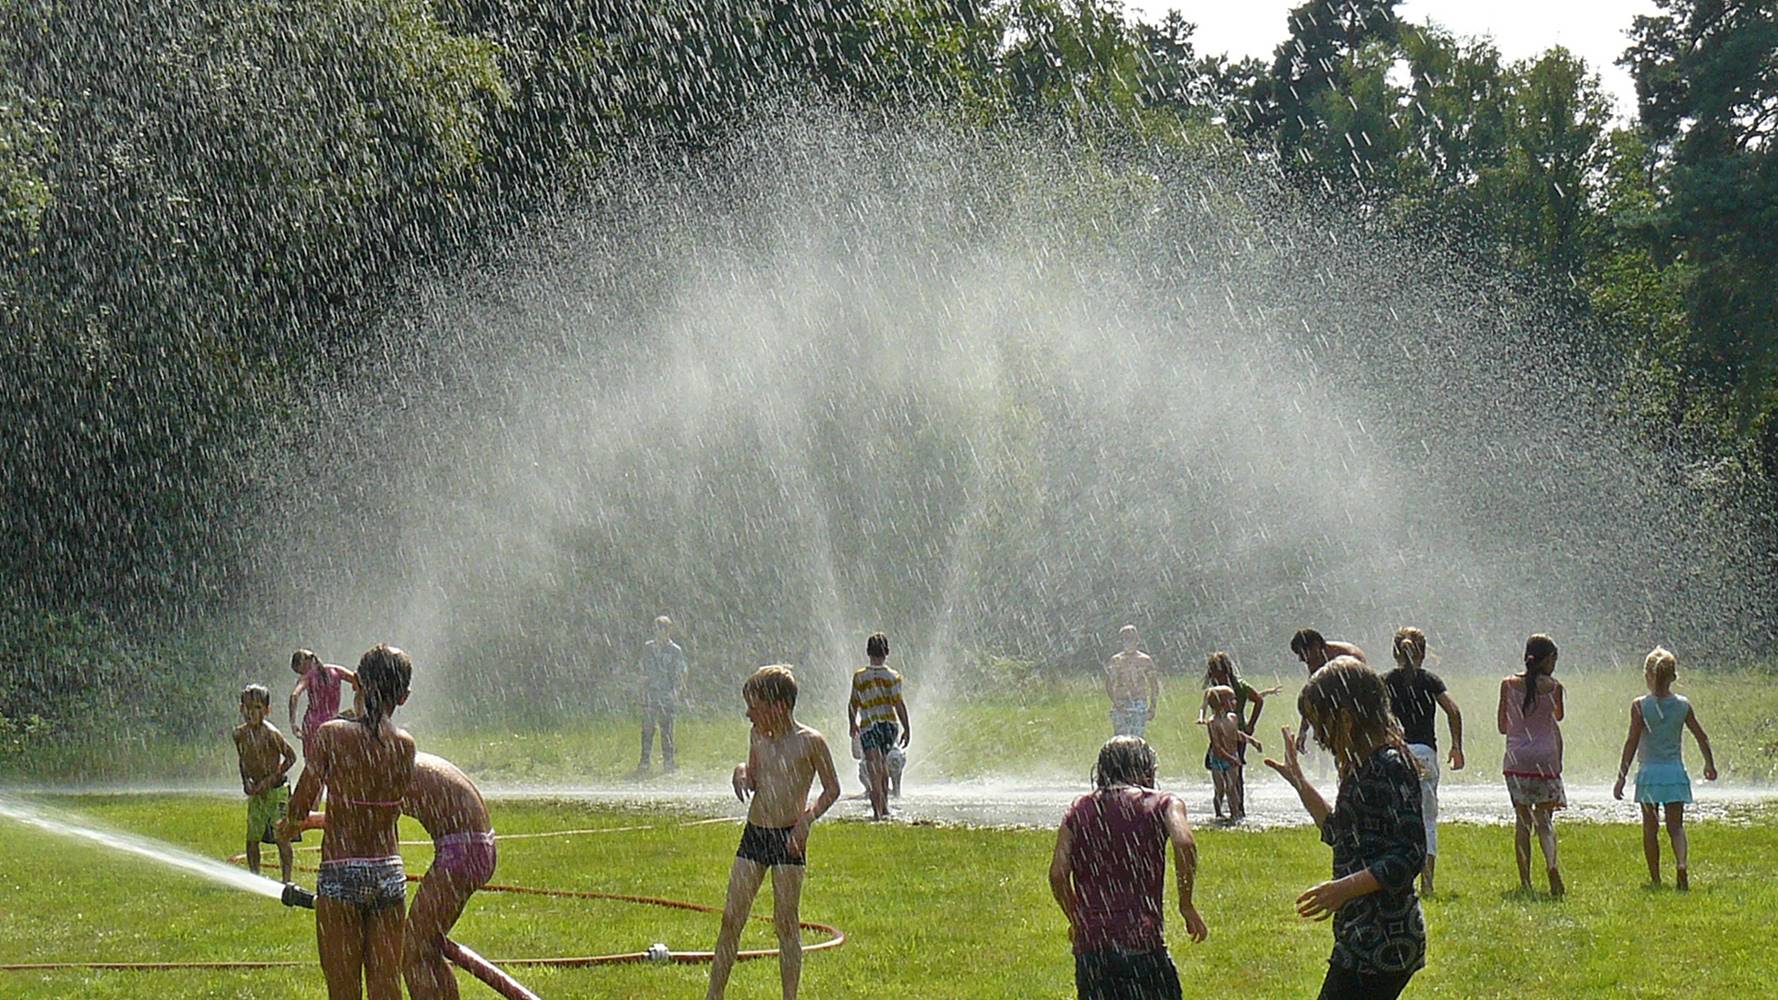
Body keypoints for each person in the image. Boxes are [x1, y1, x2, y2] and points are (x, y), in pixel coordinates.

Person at [1265, 658, 1425, 1000]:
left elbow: (1410, 854)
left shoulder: (1389, 766)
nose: (1319, 737)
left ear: (1347, 717)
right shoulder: (1364, 766)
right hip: (1363, 935)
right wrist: (1300, 784)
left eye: (1320, 723)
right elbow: (1341, 833)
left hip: (1382, 940)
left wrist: (1343, 889)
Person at [282, 644, 417, 1000]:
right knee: (386, 988)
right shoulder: (405, 745)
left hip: (341, 872)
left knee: (344, 991)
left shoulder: (332, 734)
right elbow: (380, 810)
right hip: (388, 873)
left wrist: (292, 823)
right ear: (403, 697)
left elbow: (301, 804)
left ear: (355, 682)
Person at [706, 665, 840, 1000]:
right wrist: (740, 772)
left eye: (754, 707)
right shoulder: (758, 736)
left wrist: (806, 820)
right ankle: (714, 996)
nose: (748, 714)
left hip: (788, 839)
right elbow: (754, 775)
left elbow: (832, 789)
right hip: (756, 834)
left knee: (786, 923)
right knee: (731, 918)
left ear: (779, 706)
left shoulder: (810, 743)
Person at [1049, 736, 1207, 1000]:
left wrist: (1077, 919)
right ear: (1147, 771)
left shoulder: (1079, 809)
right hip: (1142, 943)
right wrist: (1186, 903)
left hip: (1093, 952)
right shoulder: (1163, 803)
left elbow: (1057, 874)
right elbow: (1184, 843)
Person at [1612, 646, 1718, 890]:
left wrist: (1621, 776)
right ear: (1673, 676)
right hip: (1674, 773)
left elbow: (1631, 742)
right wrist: (1709, 763)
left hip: (1649, 774)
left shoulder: (1640, 706)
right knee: (1676, 827)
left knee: (1650, 829)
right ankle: (1681, 865)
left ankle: (1656, 877)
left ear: (1647, 675)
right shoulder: (1682, 705)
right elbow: (1701, 736)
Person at [403, 752, 497, 1000]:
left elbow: (362, 819)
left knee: (414, 952)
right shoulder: (403, 754)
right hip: (477, 846)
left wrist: (310, 819)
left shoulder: (386, 765)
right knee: (428, 947)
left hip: (460, 852)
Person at [1383, 627, 1464, 894]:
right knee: (1427, 820)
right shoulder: (1430, 681)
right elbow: (1453, 711)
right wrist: (1456, 746)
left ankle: (1398, 880)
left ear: (1395, 652)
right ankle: (1427, 884)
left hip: (1395, 754)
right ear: (1424, 653)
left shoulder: (1385, 682)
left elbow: (1374, 716)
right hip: (1424, 754)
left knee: (1396, 820)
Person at [1499, 634, 1566, 896]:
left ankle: (1525, 881)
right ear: (1547, 659)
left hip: (1517, 760)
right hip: (1545, 760)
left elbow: (1502, 726)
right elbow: (1557, 716)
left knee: (1522, 822)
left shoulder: (1508, 684)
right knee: (1545, 822)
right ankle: (1551, 865)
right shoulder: (1554, 687)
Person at [1201, 651, 1278, 814]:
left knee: (1236, 771)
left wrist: (1251, 725)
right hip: (1219, 732)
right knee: (1221, 769)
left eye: (1219, 672)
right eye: (1214, 673)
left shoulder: (1239, 686)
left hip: (1237, 732)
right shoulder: (1216, 690)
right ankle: (1225, 805)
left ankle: (1238, 808)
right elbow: (1204, 706)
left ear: (1227, 670)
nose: (1218, 677)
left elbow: (1258, 700)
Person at [234, 684, 297, 882]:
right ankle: (254, 877)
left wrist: (271, 780)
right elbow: (242, 759)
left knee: (281, 836)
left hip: (277, 790)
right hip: (256, 791)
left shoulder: (271, 734)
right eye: (247, 707)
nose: (251, 712)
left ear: (267, 710)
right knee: (252, 837)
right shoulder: (239, 734)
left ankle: (286, 879)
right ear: (241, 708)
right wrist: (246, 781)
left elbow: (291, 757)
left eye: (257, 707)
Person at [847, 632, 910, 821]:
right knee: (882, 765)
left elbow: (853, 703)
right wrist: (906, 727)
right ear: (887, 652)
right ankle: (884, 808)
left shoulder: (860, 677)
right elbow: (898, 704)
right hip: (889, 726)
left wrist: (852, 723)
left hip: (868, 726)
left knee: (874, 767)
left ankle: (877, 811)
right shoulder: (893, 677)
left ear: (868, 652)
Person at [1289, 629, 1366, 755]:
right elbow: (1311, 699)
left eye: (1303, 653)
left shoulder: (1349, 658)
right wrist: (1302, 733)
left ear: (1316, 646)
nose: (1301, 659)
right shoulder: (1316, 662)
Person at [637, 615, 688, 775]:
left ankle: (668, 762)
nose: (659, 633)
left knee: (667, 729)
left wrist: (677, 691)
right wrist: (642, 684)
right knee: (647, 729)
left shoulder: (675, 651)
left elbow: (681, 672)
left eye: (663, 629)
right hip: (651, 694)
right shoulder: (648, 648)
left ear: (668, 630)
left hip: (667, 694)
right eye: (657, 629)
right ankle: (644, 762)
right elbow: (642, 668)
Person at [1202, 685, 1262, 821]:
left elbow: (1236, 734)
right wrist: (1230, 758)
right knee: (1220, 789)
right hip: (1218, 760)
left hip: (1233, 756)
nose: (1235, 702)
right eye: (1232, 699)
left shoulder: (1233, 718)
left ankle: (1235, 813)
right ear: (1221, 703)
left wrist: (1251, 741)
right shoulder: (1213, 722)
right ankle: (1218, 814)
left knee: (1232, 788)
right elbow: (1217, 746)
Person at [289, 649, 359, 759]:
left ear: (302, 665)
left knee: (313, 761)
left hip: (313, 725)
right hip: (333, 722)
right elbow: (357, 680)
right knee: (335, 759)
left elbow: (294, 695)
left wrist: (293, 723)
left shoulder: (307, 677)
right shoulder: (335, 670)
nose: (301, 674)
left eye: (299, 672)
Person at [1105, 625, 1160, 738]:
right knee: (1120, 740)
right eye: (1126, 639)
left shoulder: (1145, 660)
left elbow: (1154, 685)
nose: (1129, 642)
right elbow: (1109, 684)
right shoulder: (1116, 660)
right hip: (1121, 703)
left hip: (1139, 703)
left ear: (1137, 640)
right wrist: (1116, 703)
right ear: (1121, 641)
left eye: (1131, 638)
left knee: (1137, 739)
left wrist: (1152, 707)